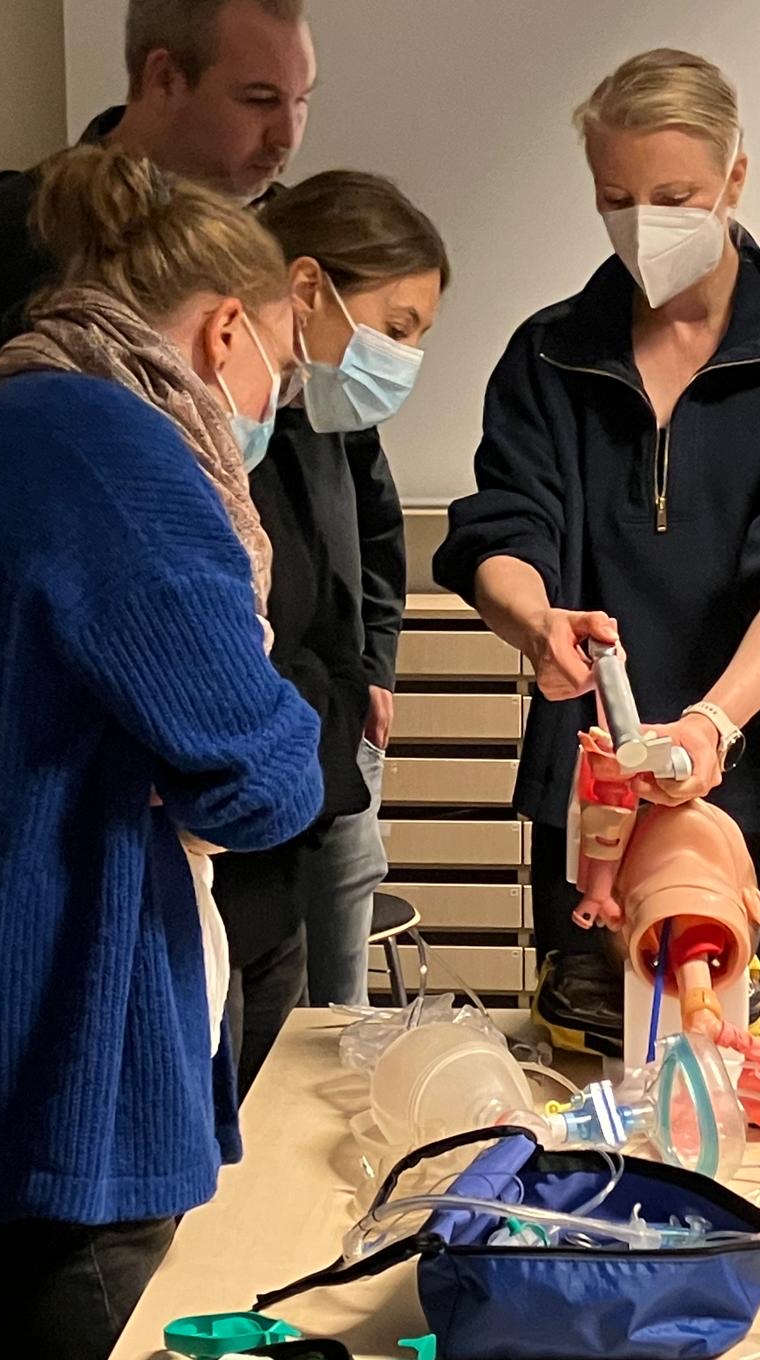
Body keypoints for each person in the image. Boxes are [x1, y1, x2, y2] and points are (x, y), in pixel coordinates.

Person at [435, 48, 760, 1010]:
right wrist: (535, 622)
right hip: (600, 805)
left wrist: (714, 723)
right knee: (599, 1066)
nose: (644, 224)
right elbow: (506, 529)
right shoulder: (550, 354)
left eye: (676, 198)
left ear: (735, 177)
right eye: (617, 199)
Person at [0, 145, 323, 1359]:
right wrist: (282, 718)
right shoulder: (113, 449)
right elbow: (261, 776)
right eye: (282, 361)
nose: (276, 401)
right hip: (72, 1057)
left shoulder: (19, 408)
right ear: (227, 329)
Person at [212, 170, 447, 1058]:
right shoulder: (216, 421)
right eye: (396, 328)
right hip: (253, 766)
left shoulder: (323, 403)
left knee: (319, 1013)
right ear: (307, 287)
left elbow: (372, 538)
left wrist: (370, 665)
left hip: (322, 733)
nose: (404, 359)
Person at [0, 0, 315, 351]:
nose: (287, 137)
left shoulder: (300, 240)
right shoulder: (15, 231)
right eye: (260, 100)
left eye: (301, 100)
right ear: (164, 79)